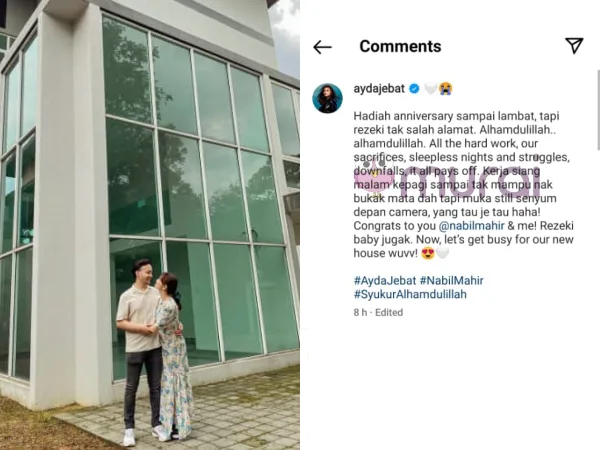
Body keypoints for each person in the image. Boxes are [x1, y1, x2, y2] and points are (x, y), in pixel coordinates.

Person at [115, 259, 163, 447]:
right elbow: (120, 322)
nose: (151, 275)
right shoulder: (127, 296)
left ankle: (157, 424)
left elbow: (164, 314)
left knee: (156, 388)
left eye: (151, 272)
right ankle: (129, 429)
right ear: (137, 273)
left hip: (155, 348)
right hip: (135, 349)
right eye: (147, 272)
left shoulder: (156, 293)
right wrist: (142, 328)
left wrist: (176, 324)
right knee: (131, 390)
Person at [148, 272, 194, 441]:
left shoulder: (168, 305)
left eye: (159, 280)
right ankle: (174, 422)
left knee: (173, 385)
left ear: (165, 286)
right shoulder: (162, 299)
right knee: (170, 385)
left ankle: (177, 425)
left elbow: (154, 327)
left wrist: (127, 326)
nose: (155, 280)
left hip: (173, 350)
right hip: (168, 347)